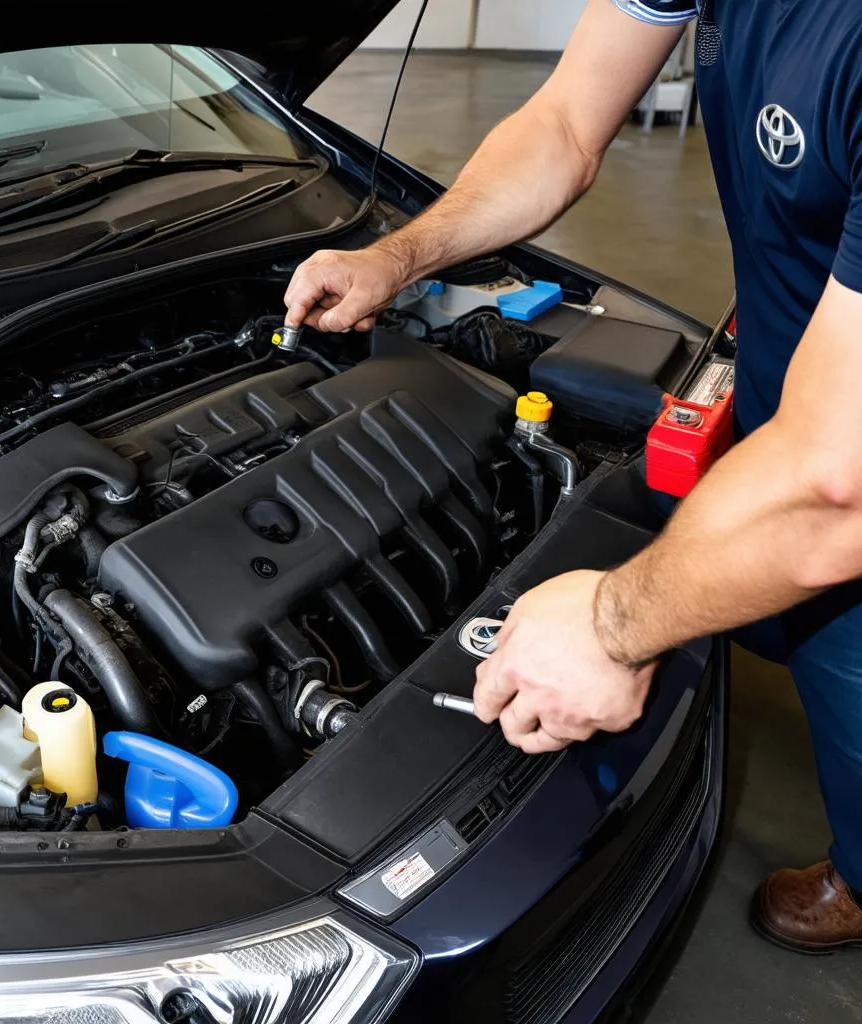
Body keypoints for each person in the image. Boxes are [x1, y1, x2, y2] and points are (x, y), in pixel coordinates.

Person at [283, 0, 862, 953]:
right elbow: (562, 124)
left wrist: (611, 625)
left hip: (845, 449)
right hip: (799, 365)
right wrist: (397, 258)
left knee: (853, 667)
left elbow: (835, 485)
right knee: (789, 622)